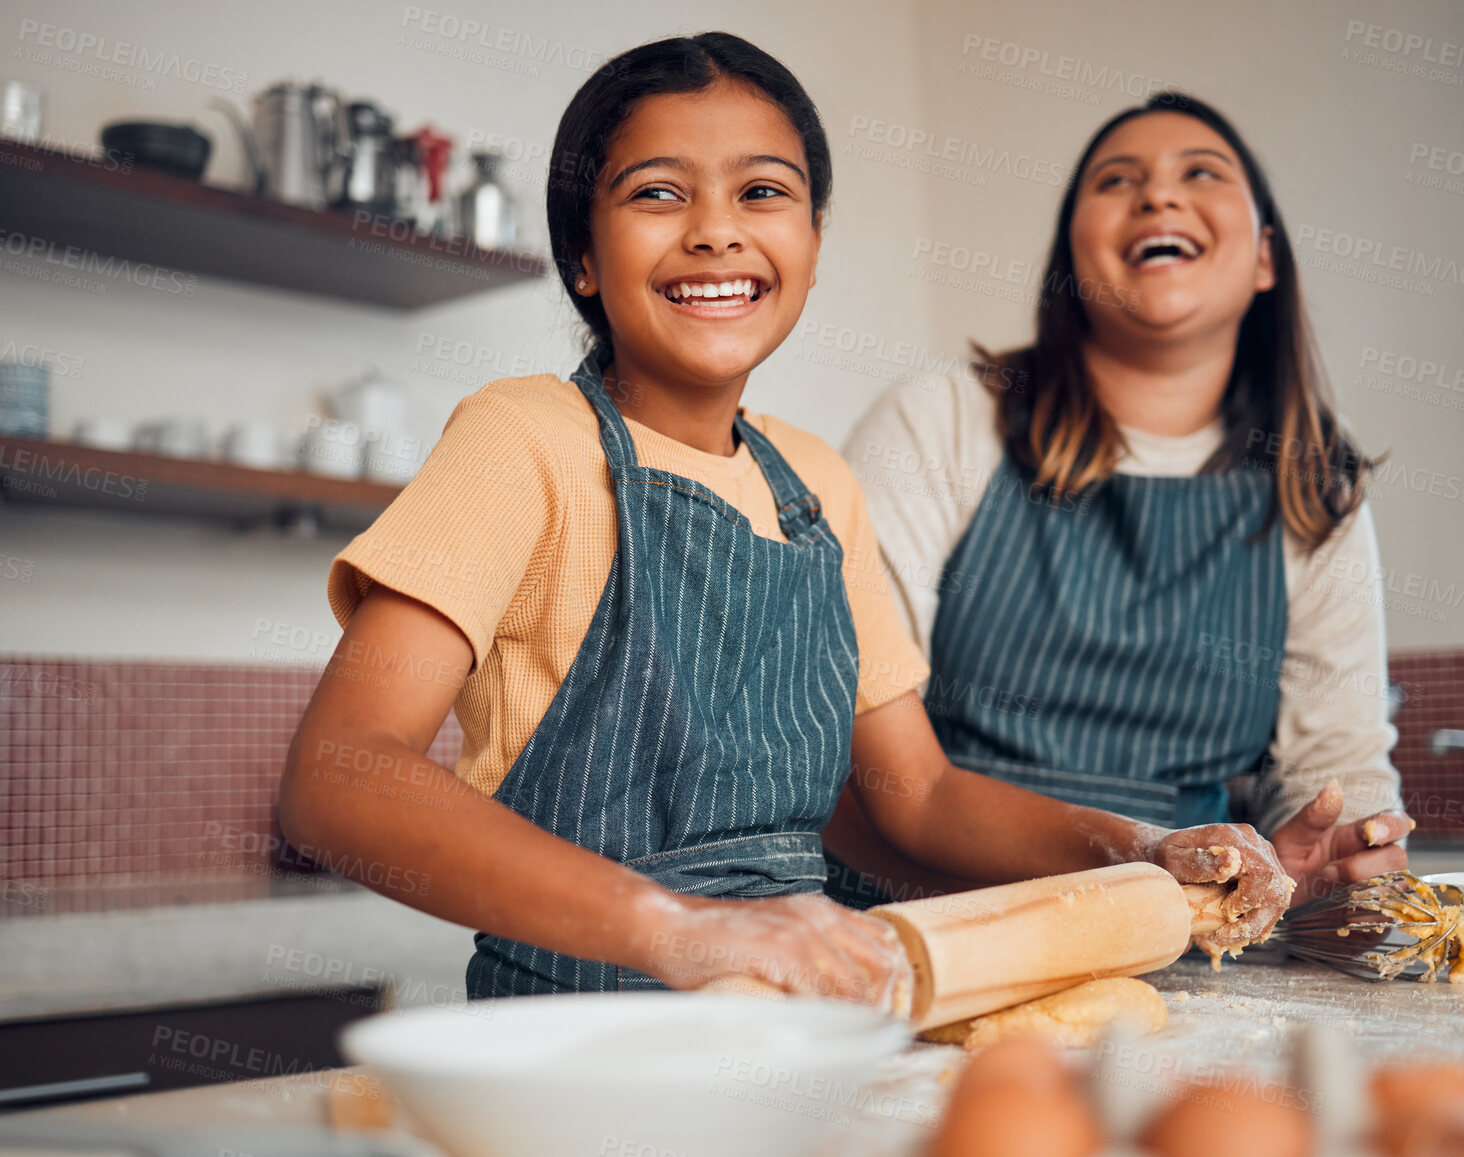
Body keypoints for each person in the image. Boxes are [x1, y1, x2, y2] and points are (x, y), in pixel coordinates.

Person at [279, 39, 1295, 1006]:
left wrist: (1142, 844)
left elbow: (922, 798)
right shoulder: (521, 438)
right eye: (657, 193)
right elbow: (339, 777)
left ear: (810, 243)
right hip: (578, 1039)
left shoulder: (816, 484)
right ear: (583, 258)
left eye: (763, 191)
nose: (716, 228)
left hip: (799, 1024)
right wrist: (678, 925)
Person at [828, 92, 1413, 912]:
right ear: (1072, 253)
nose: (1158, 196)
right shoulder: (943, 419)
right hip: (930, 914)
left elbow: (1336, 772)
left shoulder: (1311, 478)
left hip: (1187, 936)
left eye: (1201, 173)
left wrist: (1339, 861)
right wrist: (1106, 877)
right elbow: (848, 739)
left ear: (1265, 259)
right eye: (1116, 181)